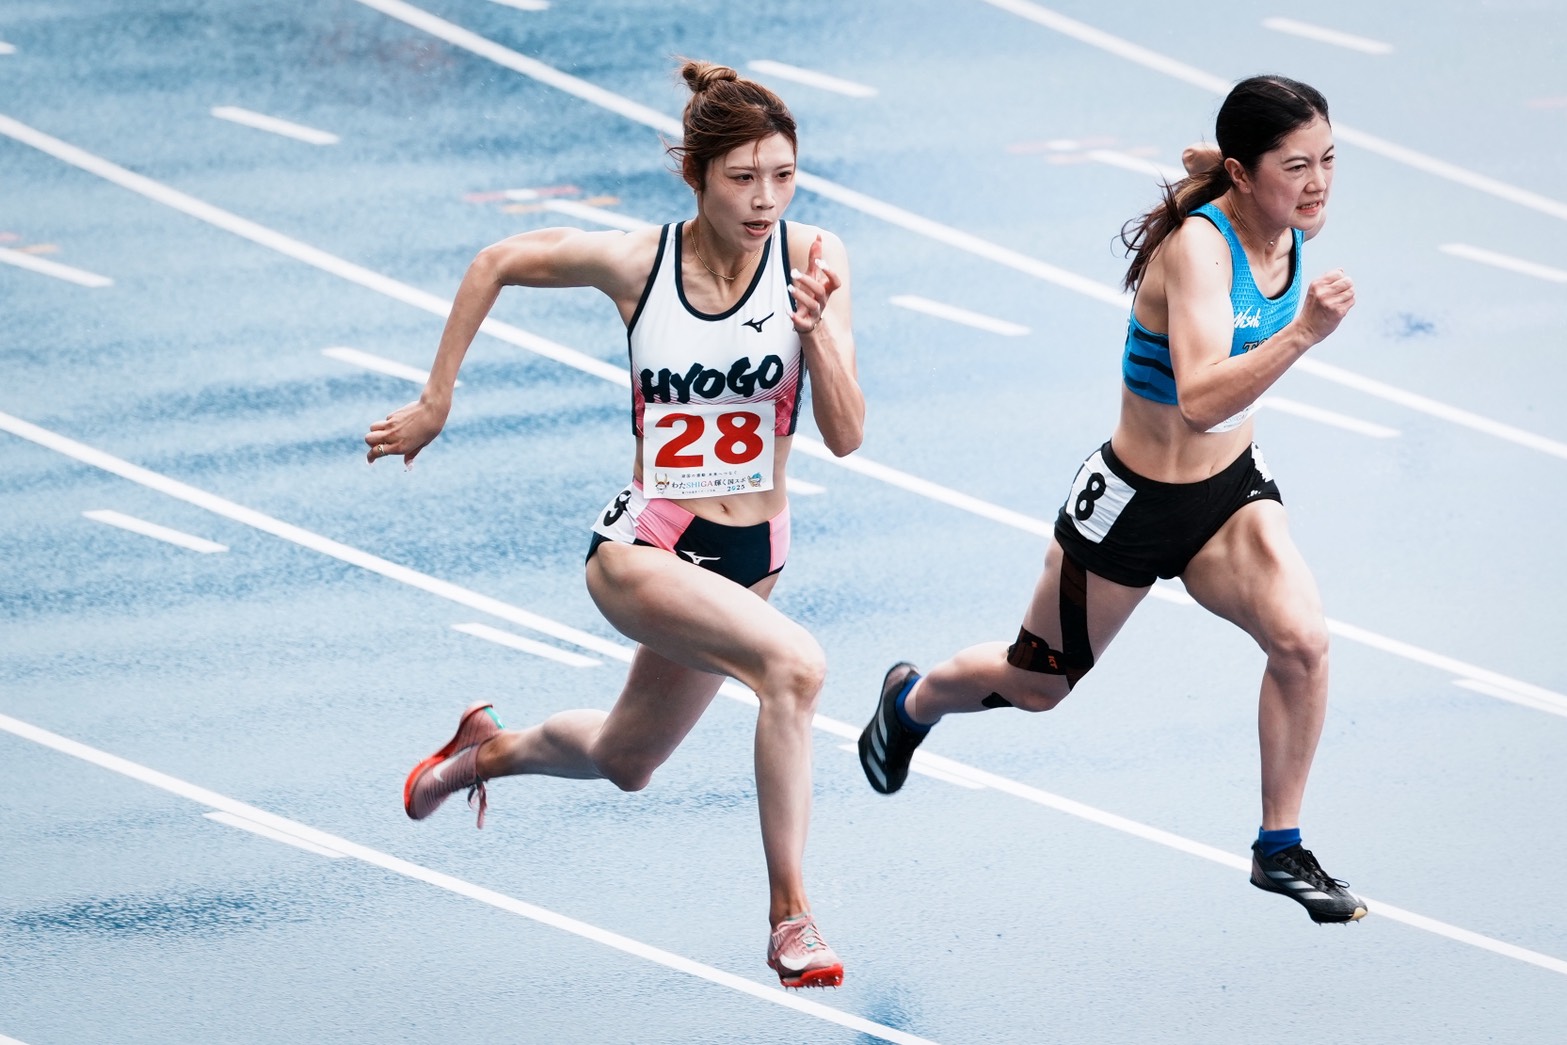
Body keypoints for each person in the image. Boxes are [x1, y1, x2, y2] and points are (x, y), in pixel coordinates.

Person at [366, 59, 864, 987]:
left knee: (627, 758)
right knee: (794, 668)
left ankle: (483, 750)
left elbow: (847, 434)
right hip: (647, 543)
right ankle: (790, 918)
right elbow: (497, 262)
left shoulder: (815, 260)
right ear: (696, 178)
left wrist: (821, 336)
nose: (765, 202)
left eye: (783, 177)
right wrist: (437, 400)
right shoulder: (640, 262)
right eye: (742, 179)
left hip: (754, 555)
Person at [858, 75, 1366, 925]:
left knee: (1302, 641)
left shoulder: (1283, 215)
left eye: (1328, 161)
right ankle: (911, 699)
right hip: (1131, 502)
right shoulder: (1199, 250)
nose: (1315, 185)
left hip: (1227, 495)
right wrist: (1302, 332)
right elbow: (1200, 396)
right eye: (1294, 166)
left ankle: (1279, 847)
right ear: (1244, 176)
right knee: (1037, 685)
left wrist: (1224, 167)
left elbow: (1235, 185)